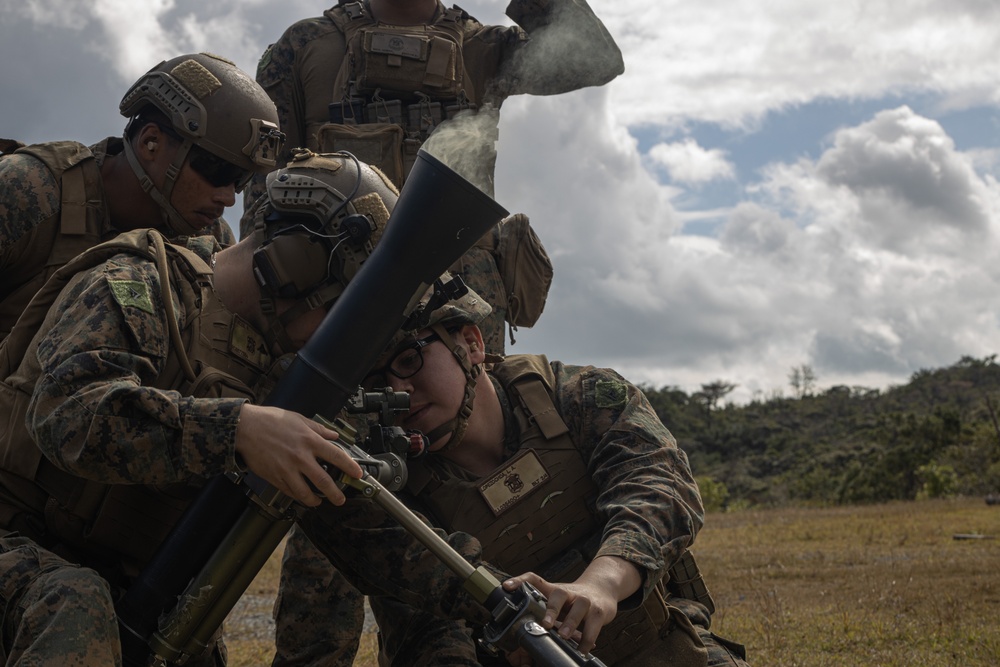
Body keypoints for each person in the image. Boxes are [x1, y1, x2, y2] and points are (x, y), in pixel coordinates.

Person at [0, 150, 400, 666]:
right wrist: (237, 432)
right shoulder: (143, 284)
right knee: (75, 605)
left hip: (130, 595)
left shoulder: (281, 378)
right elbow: (68, 416)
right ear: (293, 268)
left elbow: (369, 544)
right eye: (342, 310)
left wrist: (497, 597)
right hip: (19, 548)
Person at [345, 286, 752, 666]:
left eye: (408, 359)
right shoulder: (392, 494)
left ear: (470, 343)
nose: (399, 389)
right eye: (378, 382)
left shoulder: (579, 396)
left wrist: (600, 586)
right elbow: (424, 631)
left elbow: (658, 488)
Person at [244, 0, 625, 357]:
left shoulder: (483, 48)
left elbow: (596, 60)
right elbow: (265, 193)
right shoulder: (305, 46)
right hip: (336, 293)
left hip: (463, 302)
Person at [0, 51, 284, 342]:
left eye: (240, 180)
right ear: (151, 143)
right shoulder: (27, 189)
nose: (228, 198)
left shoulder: (209, 242)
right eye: (217, 170)